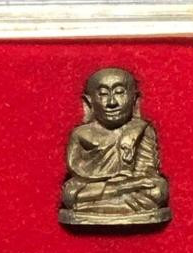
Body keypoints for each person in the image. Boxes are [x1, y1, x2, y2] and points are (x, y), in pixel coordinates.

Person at [59, 68, 170, 225]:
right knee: (69, 194)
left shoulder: (141, 129)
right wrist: (121, 186)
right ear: (89, 101)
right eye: (103, 94)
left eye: (119, 92)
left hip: (122, 189)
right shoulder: (80, 134)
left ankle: (100, 207)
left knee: (158, 190)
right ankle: (121, 201)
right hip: (95, 187)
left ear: (134, 99)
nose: (112, 102)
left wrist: (136, 180)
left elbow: (147, 172)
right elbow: (76, 170)